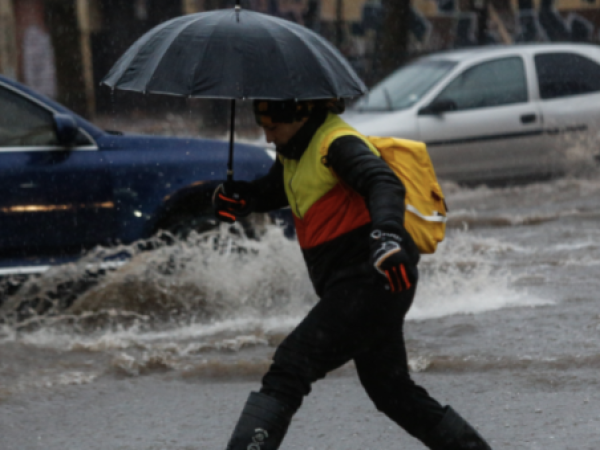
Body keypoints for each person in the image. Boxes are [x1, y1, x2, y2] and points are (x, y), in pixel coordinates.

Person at [212, 99, 492, 450]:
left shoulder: (337, 144)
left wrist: (387, 236)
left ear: (300, 114)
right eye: (263, 128)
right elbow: (279, 188)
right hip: (362, 286)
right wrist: (244, 197)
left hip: (372, 278)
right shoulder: (295, 150)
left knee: (290, 367)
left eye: (273, 128)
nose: (268, 138)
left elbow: (383, 182)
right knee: (391, 392)